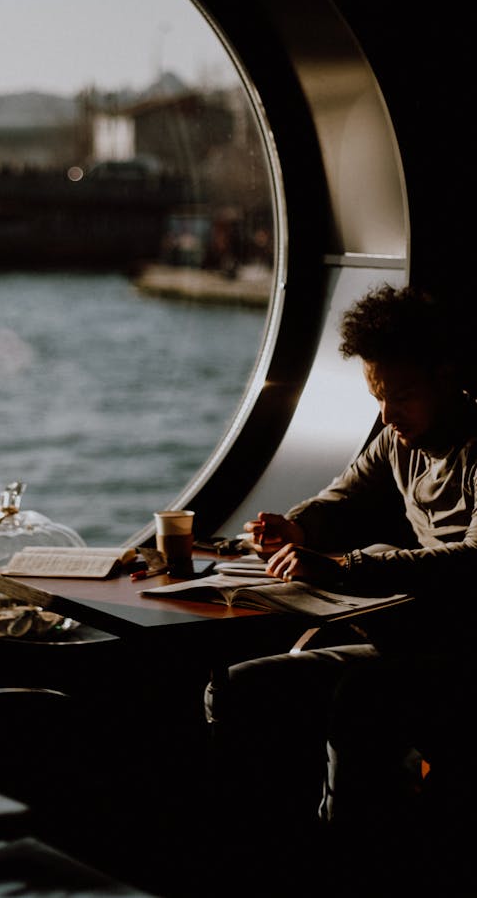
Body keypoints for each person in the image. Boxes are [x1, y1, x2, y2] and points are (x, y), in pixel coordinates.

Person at [204, 284, 477, 889]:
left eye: (401, 396)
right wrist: (294, 526)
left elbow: (475, 560)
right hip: (410, 637)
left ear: (447, 375)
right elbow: (344, 494)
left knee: (363, 697)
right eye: (379, 397)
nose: (387, 416)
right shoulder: (398, 440)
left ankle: (347, 866)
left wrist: (345, 567)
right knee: (236, 690)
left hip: (462, 655)